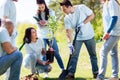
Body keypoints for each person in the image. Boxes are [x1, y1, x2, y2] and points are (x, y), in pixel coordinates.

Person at [60, 0, 99, 79]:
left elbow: (92, 15)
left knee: (93, 55)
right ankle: (71, 74)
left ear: (69, 7)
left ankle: (96, 73)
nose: (63, 12)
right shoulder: (67, 18)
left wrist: (83, 23)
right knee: (74, 55)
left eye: (64, 10)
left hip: (89, 35)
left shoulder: (82, 8)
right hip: (77, 38)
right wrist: (69, 43)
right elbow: (68, 31)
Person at [34, 0, 64, 70]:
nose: (41, 8)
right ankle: (45, 71)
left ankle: (62, 69)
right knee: (43, 54)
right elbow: (39, 26)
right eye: (39, 7)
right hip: (41, 37)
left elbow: (54, 23)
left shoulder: (50, 12)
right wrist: (41, 23)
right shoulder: (36, 14)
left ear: (44, 4)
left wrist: (46, 23)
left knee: (56, 53)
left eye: (42, 6)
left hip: (50, 36)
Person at [97, 0, 120, 80]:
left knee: (103, 52)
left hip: (113, 32)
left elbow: (114, 17)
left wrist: (107, 32)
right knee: (114, 53)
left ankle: (100, 77)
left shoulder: (112, 2)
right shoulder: (107, 3)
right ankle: (115, 76)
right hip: (114, 32)